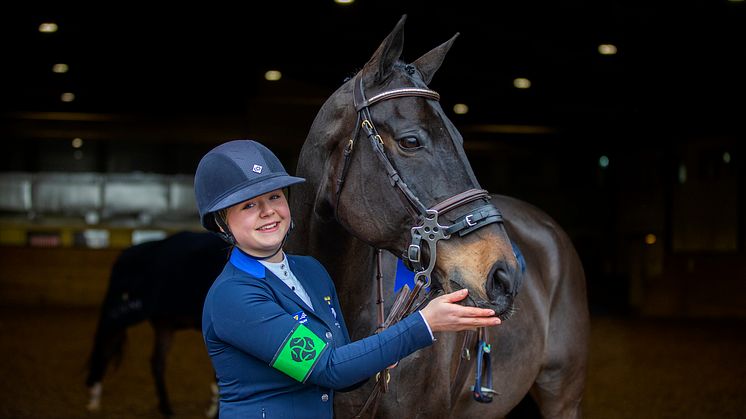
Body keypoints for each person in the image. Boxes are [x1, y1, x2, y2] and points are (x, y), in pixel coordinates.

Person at [194, 139, 501, 418]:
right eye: (249, 205)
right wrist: (425, 323)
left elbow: (344, 371)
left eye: (274, 197)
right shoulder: (233, 296)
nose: (268, 212)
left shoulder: (310, 271)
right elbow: (329, 369)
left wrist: (385, 350)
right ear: (222, 224)